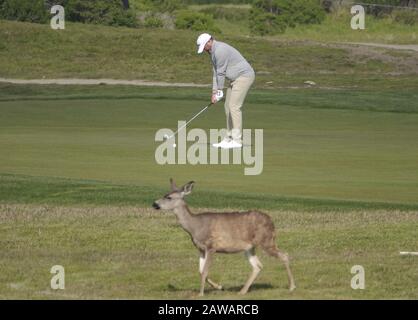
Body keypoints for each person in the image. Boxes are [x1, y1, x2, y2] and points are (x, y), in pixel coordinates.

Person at [196, 33, 255, 149]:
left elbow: (221, 73)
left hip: (244, 77)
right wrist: (214, 92)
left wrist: (219, 90)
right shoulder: (212, 52)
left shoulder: (220, 50)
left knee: (234, 107)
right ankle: (228, 138)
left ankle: (237, 141)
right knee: (227, 107)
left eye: (204, 47)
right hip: (235, 79)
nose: (203, 50)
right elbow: (215, 73)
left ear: (209, 41)